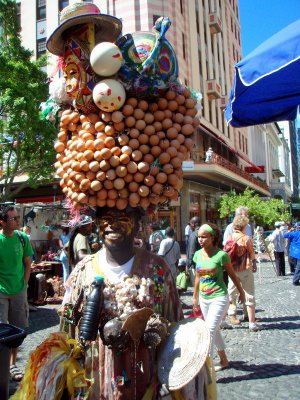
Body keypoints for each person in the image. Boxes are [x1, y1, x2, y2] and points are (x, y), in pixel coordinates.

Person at [59, 207, 210, 398]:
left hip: (146, 381)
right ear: (97, 224)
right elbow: (67, 324)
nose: (113, 225)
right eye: (106, 218)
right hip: (95, 381)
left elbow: (176, 327)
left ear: (138, 224)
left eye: (122, 218)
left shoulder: (157, 268)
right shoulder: (83, 270)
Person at [192, 223, 245, 371]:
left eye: (204, 237)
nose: (200, 240)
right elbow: (197, 277)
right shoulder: (197, 254)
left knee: (208, 330)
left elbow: (233, 276)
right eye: (199, 237)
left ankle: (204, 367)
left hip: (219, 297)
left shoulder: (222, 255)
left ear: (212, 237)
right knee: (214, 331)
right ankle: (224, 360)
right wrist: (195, 297)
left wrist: (241, 292)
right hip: (204, 298)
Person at [0, 206, 33, 381]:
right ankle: (2, 365)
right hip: (1, 293)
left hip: (19, 291)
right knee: (1, 329)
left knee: (17, 330)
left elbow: (28, 262)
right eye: (13, 219)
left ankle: (12, 365)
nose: (17, 221)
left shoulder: (22, 238)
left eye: (17, 218)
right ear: (2, 222)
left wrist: (25, 284)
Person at [225, 215, 261, 330]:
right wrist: (254, 263)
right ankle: (251, 321)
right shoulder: (246, 238)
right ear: (244, 226)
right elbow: (251, 253)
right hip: (245, 269)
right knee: (249, 293)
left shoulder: (229, 237)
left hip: (232, 269)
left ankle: (232, 315)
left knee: (232, 292)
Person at [186, 216, 201, 285]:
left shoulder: (193, 235)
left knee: (197, 285)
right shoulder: (205, 232)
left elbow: (191, 252)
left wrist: (188, 265)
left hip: (197, 265)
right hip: (206, 262)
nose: (190, 226)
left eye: (190, 224)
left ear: (194, 224)